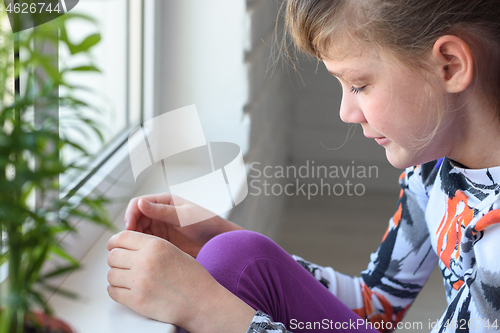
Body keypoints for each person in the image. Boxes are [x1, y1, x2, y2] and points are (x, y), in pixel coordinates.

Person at [105, 0, 500, 332]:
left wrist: (209, 310)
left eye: (359, 85)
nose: (346, 111)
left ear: (449, 65)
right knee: (235, 256)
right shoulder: (434, 169)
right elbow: (376, 306)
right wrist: (218, 235)